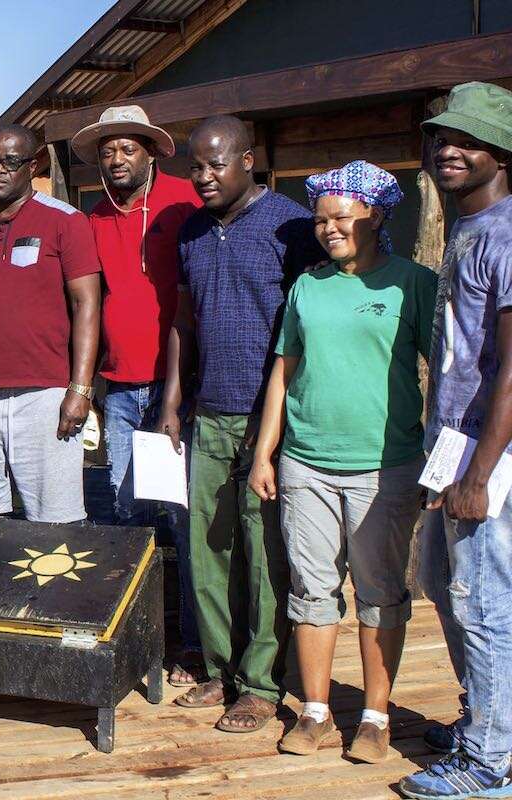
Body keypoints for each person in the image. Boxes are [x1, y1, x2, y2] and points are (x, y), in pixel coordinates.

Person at [246, 162, 434, 762]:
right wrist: (264, 453)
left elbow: (452, 370)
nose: (328, 229)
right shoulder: (308, 286)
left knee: (380, 592)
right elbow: (284, 370)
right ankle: (317, 712)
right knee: (311, 590)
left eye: (341, 219)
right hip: (306, 464)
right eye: (321, 219)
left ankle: (375, 717)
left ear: (376, 216)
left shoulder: (413, 283)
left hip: (386, 466)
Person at [158, 115, 323, 734]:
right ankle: (219, 670)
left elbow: (305, 333)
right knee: (207, 548)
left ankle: (259, 684)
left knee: (262, 553)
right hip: (209, 413)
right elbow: (184, 320)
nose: (202, 177)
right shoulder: (194, 232)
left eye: (215, 164)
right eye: (194, 166)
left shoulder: (291, 227)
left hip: (271, 421)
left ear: (248, 160)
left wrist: (271, 424)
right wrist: (173, 401)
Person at [399, 82, 512, 800]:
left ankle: (491, 763)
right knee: (445, 585)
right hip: (454, 442)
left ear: (502, 152)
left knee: (482, 599)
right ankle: (487, 719)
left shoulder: (506, 233)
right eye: (441, 138)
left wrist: (480, 471)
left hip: (490, 450)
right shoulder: (467, 229)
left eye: (467, 139)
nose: (450, 150)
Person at [70, 104, 203, 685]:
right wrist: (94, 378)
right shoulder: (93, 217)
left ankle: (194, 645)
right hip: (121, 386)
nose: (117, 159)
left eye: (127, 148)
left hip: (179, 387)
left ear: (150, 151)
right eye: (108, 150)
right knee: (128, 512)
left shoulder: (185, 200)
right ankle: (138, 636)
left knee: (180, 516)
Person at [0, 124, 100, 524]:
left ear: (33, 166)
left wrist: (80, 388)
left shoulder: (66, 221)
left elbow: (87, 305)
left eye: (11, 162)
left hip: (45, 395)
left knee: (55, 522)